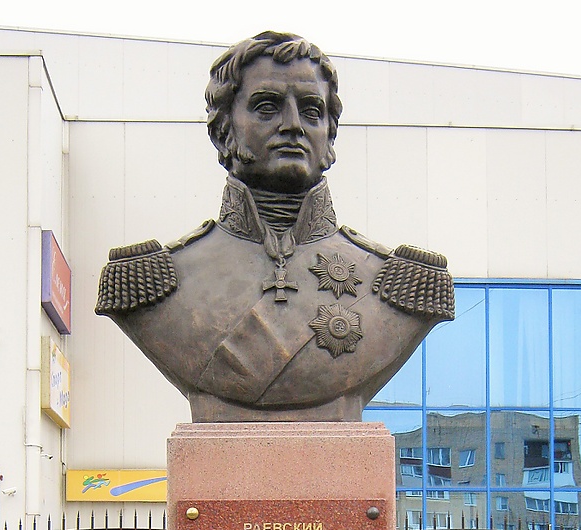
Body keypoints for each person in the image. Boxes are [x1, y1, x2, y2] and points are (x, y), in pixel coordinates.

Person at [96, 31, 454, 422]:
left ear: (330, 135)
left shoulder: (402, 285)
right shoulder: (150, 284)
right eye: (267, 107)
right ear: (223, 131)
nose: (293, 125)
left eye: (311, 110)